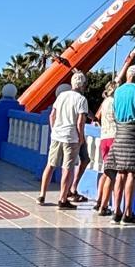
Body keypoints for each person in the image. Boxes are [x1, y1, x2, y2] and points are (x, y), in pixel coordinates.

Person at [104, 63, 135, 223]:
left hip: (119, 134)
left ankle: (116, 211)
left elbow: (115, 113)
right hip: (133, 135)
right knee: (132, 173)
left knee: (120, 172)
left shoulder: (118, 91)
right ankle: (128, 213)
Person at [39, 73, 90, 205]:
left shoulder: (61, 96)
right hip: (70, 138)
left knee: (50, 165)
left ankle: (42, 195)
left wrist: (54, 130)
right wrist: (80, 138)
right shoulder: (81, 100)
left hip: (57, 136)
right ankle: (62, 199)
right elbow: (80, 122)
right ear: (83, 85)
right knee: (68, 168)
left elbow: (52, 115)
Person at [94, 80, 118, 215]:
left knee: (106, 171)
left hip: (104, 138)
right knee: (112, 175)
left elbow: (98, 117)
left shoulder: (104, 103)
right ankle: (105, 206)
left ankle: (99, 200)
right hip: (114, 137)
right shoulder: (115, 102)